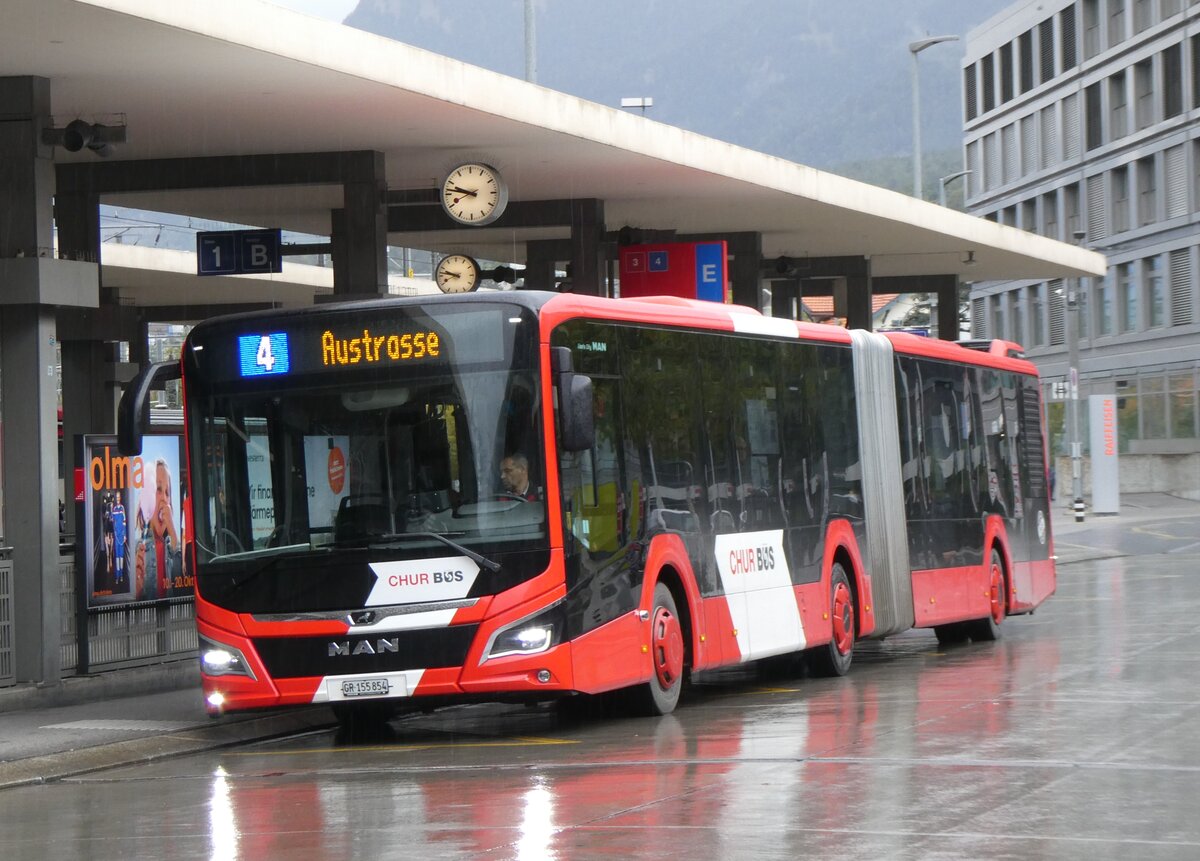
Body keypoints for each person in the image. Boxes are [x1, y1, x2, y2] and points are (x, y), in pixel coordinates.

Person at [135, 458, 182, 600]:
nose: (164, 499)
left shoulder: (171, 547)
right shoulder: (138, 548)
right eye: (158, 489)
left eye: (167, 493)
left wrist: (173, 533)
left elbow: (182, 578)